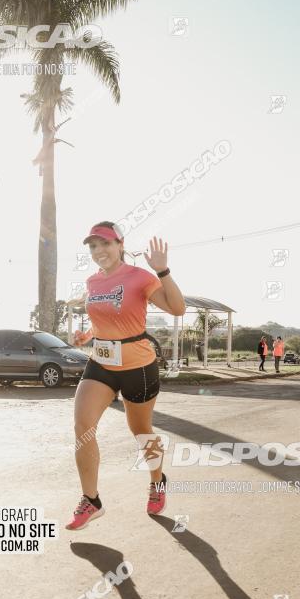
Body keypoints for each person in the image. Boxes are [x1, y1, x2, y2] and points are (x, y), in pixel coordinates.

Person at [67, 221, 186, 530]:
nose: (99, 251)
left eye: (105, 243)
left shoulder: (140, 277)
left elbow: (177, 308)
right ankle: (91, 500)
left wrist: (163, 271)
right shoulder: (92, 282)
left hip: (138, 367)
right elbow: (103, 320)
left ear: (120, 245)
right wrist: (87, 336)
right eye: (93, 246)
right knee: (83, 425)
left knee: (141, 430)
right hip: (101, 364)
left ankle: (157, 481)